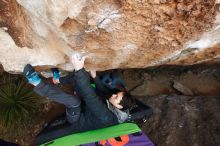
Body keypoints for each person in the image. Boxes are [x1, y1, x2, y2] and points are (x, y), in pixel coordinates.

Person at [23, 54, 152, 143]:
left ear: (118, 106)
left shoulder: (106, 116)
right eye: (116, 94)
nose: (113, 95)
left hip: (77, 120)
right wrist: (95, 77)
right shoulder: (117, 106)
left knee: (74, 101)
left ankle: (36, 82)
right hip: (87, 109)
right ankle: (58, 80)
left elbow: (90, 96)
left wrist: (79, 69)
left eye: (116, 97)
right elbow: (103, 91)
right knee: (81, 81)